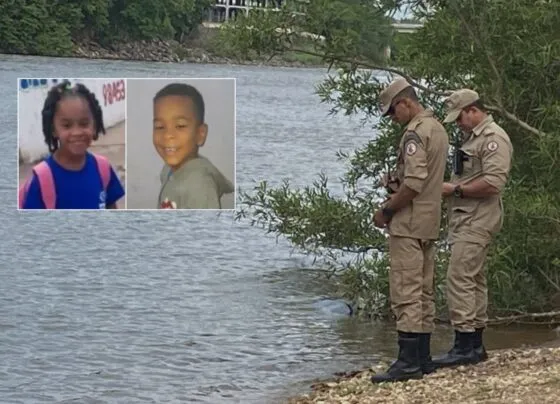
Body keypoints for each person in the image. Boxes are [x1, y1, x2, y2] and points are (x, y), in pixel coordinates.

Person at [371, 77, 449, 383]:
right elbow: (428, 180)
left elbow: (415, 183)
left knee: (406, 291)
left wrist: (387, 209)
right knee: (424, 291)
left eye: (393, 112)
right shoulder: (438, 128)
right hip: (430, 220)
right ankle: (423, 357)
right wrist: (395, 182)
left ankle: (407, 362)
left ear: (406, 102)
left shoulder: (415, 133)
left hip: (410, 221)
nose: (393, 119)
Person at [432, 89, 513, 369]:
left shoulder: (493, 139)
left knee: (459, 277)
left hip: (478, 219)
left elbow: (493, 183)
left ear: (473, 110)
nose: (458, 124)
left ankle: (464, 343)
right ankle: (475, 344)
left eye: (460, 118)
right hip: (468, 218)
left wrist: (454, 189)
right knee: (474, 278)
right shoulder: (473, 139)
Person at [20, 80, 125, 209]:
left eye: (84, 123)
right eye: (67, 125)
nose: (76, 132)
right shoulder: (42, 179)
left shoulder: (103, 169)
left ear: (94, 125)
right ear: (53, 129)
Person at [153, 83, 234, 209]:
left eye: (180, 126)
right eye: (159, 127)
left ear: (200, 134)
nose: (168, 135)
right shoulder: (167, 170)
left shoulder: (200, 185)